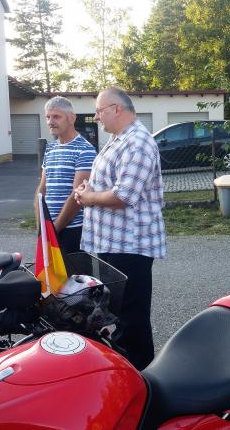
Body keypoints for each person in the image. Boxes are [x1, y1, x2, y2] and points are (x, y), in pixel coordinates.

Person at [73, 87, 165, 370]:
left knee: (131, 318)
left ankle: (142, 379)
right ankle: (129, 375)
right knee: (119, 315)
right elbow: (111, 185)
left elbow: (125, 195)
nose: (97, 117)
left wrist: (88, 198)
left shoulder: (137, 143)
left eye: (100, 111)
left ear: (117, 109)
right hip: (113, 244)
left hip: (129, 247)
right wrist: (89, 189)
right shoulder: (118, 140)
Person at [35, 96, 97, 255]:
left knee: (74, 278)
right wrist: (41, 227)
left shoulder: (85, 150)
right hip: (49, 228)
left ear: (72, 118)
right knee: (51, 278)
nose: (50, 121)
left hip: (73, 230)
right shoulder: (50, 148)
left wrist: (54, 230)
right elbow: (42, 190)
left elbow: (77, 197)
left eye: (56, 116)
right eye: (48, 117)